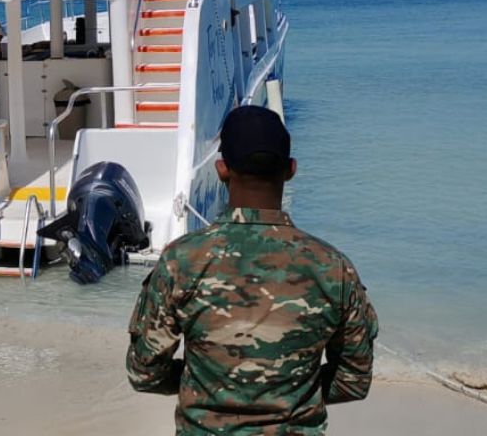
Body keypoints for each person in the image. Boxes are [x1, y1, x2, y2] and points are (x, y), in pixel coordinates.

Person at [127, 105, 378, 435]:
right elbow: (354, 380)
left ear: (222, 169)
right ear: (290, 170)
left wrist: (208, 383)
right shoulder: (333, 268)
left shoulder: (181, 262)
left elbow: (145, 373)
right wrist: (291, 390)